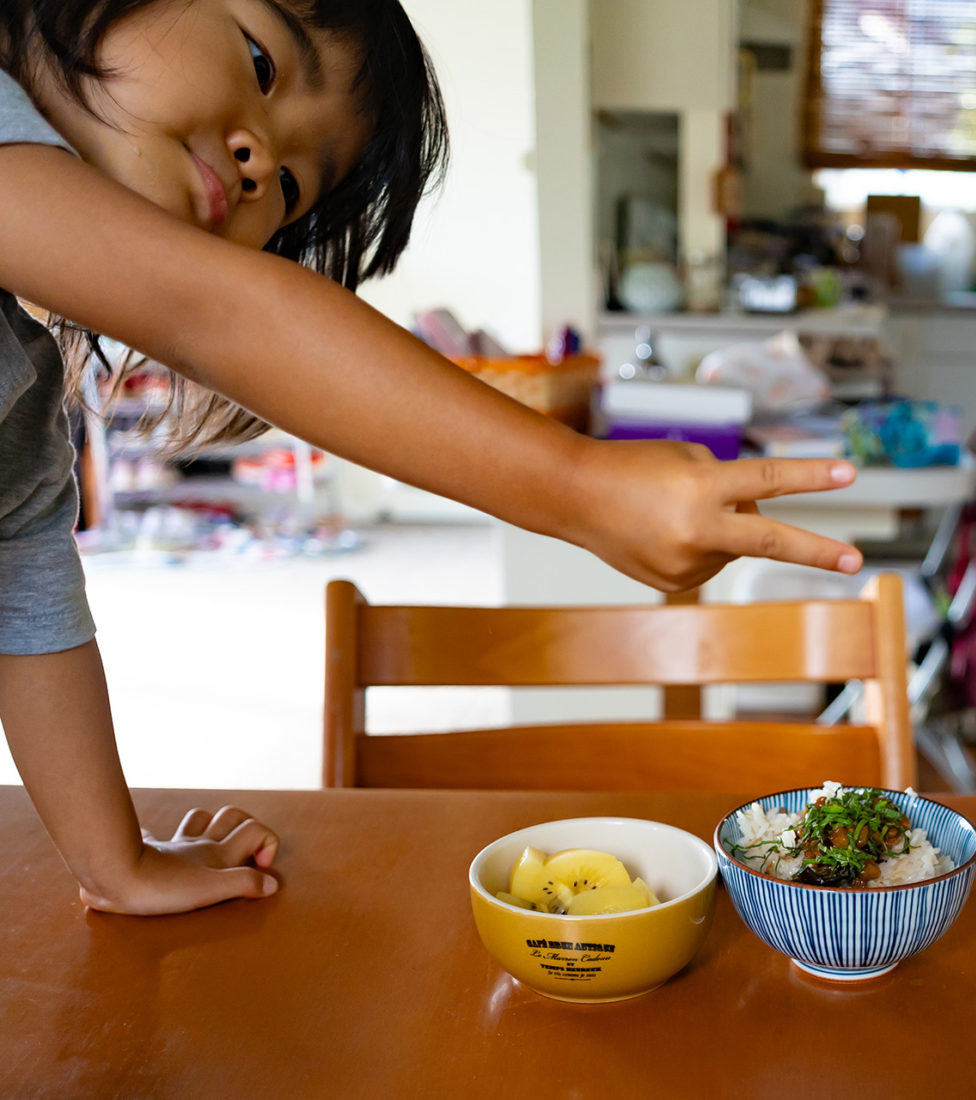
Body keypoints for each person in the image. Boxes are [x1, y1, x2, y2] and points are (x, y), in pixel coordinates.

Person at [0, 0, 863, 917]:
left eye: (294, 187)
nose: (260, 162)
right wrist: (583, 486)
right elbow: (209, 309)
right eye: (260, 60)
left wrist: (114, 864)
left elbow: (27, 589)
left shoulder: (22, 378)